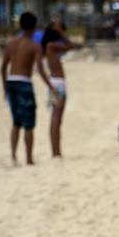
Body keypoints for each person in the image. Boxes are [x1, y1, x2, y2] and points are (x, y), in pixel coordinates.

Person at [0, 12, 58, 165]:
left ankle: (13, 156)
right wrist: (51, 86)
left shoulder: (11, 43)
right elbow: (40, 70)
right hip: (24, 83)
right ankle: (29, 158)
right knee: (29, 124)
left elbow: (3, 67)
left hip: (11, 82)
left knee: (16, 122)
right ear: (34, 27)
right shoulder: (34, 46)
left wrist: (4, 88)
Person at [41, 20, 79, 158]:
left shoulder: (51, 45)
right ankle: (55, 152)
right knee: (56, 119)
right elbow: (71, 45)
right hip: (56, 84)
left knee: (57, 119)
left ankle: (57, 151)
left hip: (58, 83)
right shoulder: (51, 45)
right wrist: (61, 33)